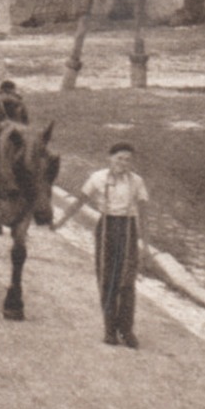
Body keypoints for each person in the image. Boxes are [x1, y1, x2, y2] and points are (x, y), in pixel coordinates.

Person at [54, 142, 150, 348]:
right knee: (106, 277)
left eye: (128, 160)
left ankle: (126, 330)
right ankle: (109, 330)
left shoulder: (136, 182)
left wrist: (146, 246)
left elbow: (143, 213)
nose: (123, 163)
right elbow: (79, 201)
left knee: (126, 280)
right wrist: (61, 221)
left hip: (128, 228)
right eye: (119, 158)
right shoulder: (97, 178)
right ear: (110, 158)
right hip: (106, 227)